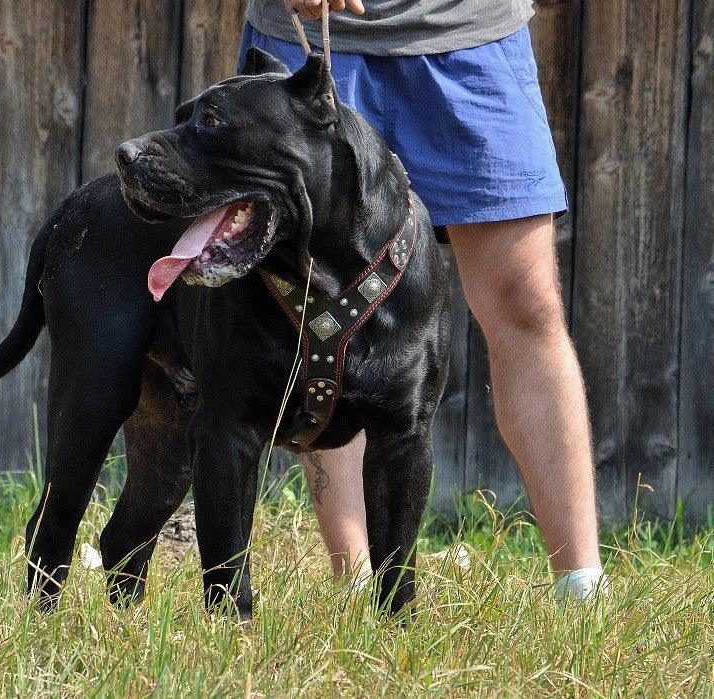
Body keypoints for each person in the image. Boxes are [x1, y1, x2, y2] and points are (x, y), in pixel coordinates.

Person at [240, 0, 607, 599]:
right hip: (316, 36)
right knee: (329, 310)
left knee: (526, 305)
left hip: (472, 35)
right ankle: (361, 589)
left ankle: (582, 590)